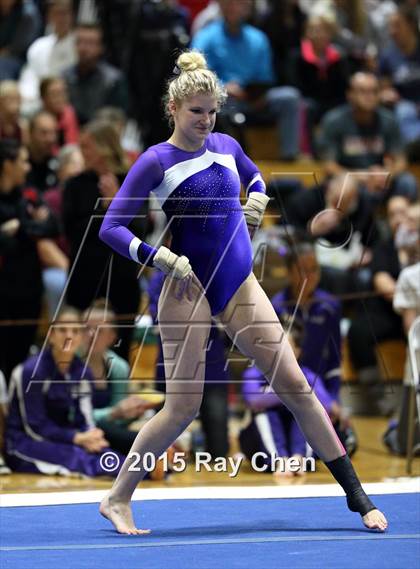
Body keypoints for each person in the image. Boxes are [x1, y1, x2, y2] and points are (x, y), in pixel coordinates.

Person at [98, 50, 387, 534]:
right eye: (196, 112)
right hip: (185, 285)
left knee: (295, 386)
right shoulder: (156, 160)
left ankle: (357, 497)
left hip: (237, 282)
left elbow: (254, 175)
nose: (206, 121)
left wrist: (256, 196)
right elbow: (110, 227)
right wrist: (158, 257)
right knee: (182, 407)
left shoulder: (227, 145)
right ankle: (117, 497)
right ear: (174, 109)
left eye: (212, 111)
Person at [63, 120, 147, 360]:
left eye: (87, 147)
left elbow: (140, 230)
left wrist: (115, 204)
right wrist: (111, 213)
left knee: (121, 349)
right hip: (84, 275)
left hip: (122, 277)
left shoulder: (133, 181)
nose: (82, 153)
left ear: (104, 148)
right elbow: (73, 232)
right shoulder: (74, 185)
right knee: (76, 350)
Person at [4, 305, 122, 476]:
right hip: (25, 443)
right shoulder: (31, 371)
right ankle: (141, 471)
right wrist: (77, 438)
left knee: (103, 453)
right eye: (62, 330)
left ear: (82, 337)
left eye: (75, 331)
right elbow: (34, 427)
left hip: (64, 438)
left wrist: (90, 435)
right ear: (50, 335)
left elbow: (85, 418)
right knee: (76, 457)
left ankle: (149, 468)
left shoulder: (82, 372)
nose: (69, 336)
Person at [191, 0, 301, 161]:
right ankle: (226, 161)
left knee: (289, 97)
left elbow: (265, 77)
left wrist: (258, 94)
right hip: (221, 100)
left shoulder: (258, 38)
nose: (234, 7)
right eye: (230, 3)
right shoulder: (205, 36)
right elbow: (195, 75)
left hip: (254, 100)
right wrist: (222, 87)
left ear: (248, 8)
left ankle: (288, 157)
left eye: (240, 3)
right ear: (221, 6)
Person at [0, 138, 58, 380]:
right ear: (7, 165)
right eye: (22, 162)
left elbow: (53, 226)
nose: (27, 167)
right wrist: (33, 225)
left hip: (30, 289)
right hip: (3, 292)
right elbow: (6, 243)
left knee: (21, 360)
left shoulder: (30, 192)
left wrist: (20, 227)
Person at [317, 71, 418, 203]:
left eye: (374, 91)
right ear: (350, 95)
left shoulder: (389, 120)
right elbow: (329, 165)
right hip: (350, 179)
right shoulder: (334, 121)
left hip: (381, 180)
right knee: (343, 186)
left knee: (407, 182)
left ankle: (400, 218)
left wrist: (386, 175)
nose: (369, 96)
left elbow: (401, 160)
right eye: (363, 91)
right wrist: (363, 177)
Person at [63, 23, 129, 125]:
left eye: (90, 43)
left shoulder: (113, 79)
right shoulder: (64, 77)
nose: (83, 48)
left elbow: (118, 118)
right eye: (79, 42)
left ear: (100, 48)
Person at [18, 0, 77, 114]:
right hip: (37, 98)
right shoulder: (39, 45)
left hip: (65, 99)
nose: (61, 18)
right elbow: (30, 75)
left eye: (65, 13)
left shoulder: (78, 45)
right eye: (57, 13)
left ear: (72, 16)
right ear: (49, 17)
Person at [40, 77, 79, 148]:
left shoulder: (70, 113)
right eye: (54, 94)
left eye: (63, 93)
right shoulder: (39, 121)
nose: (60, 98)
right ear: (43, 98)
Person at [26, 110, 59, 193]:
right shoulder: (19, 164)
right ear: (30, 134)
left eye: (53, 132)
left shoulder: (57, 165)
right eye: (44, 133)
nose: (50, 139)